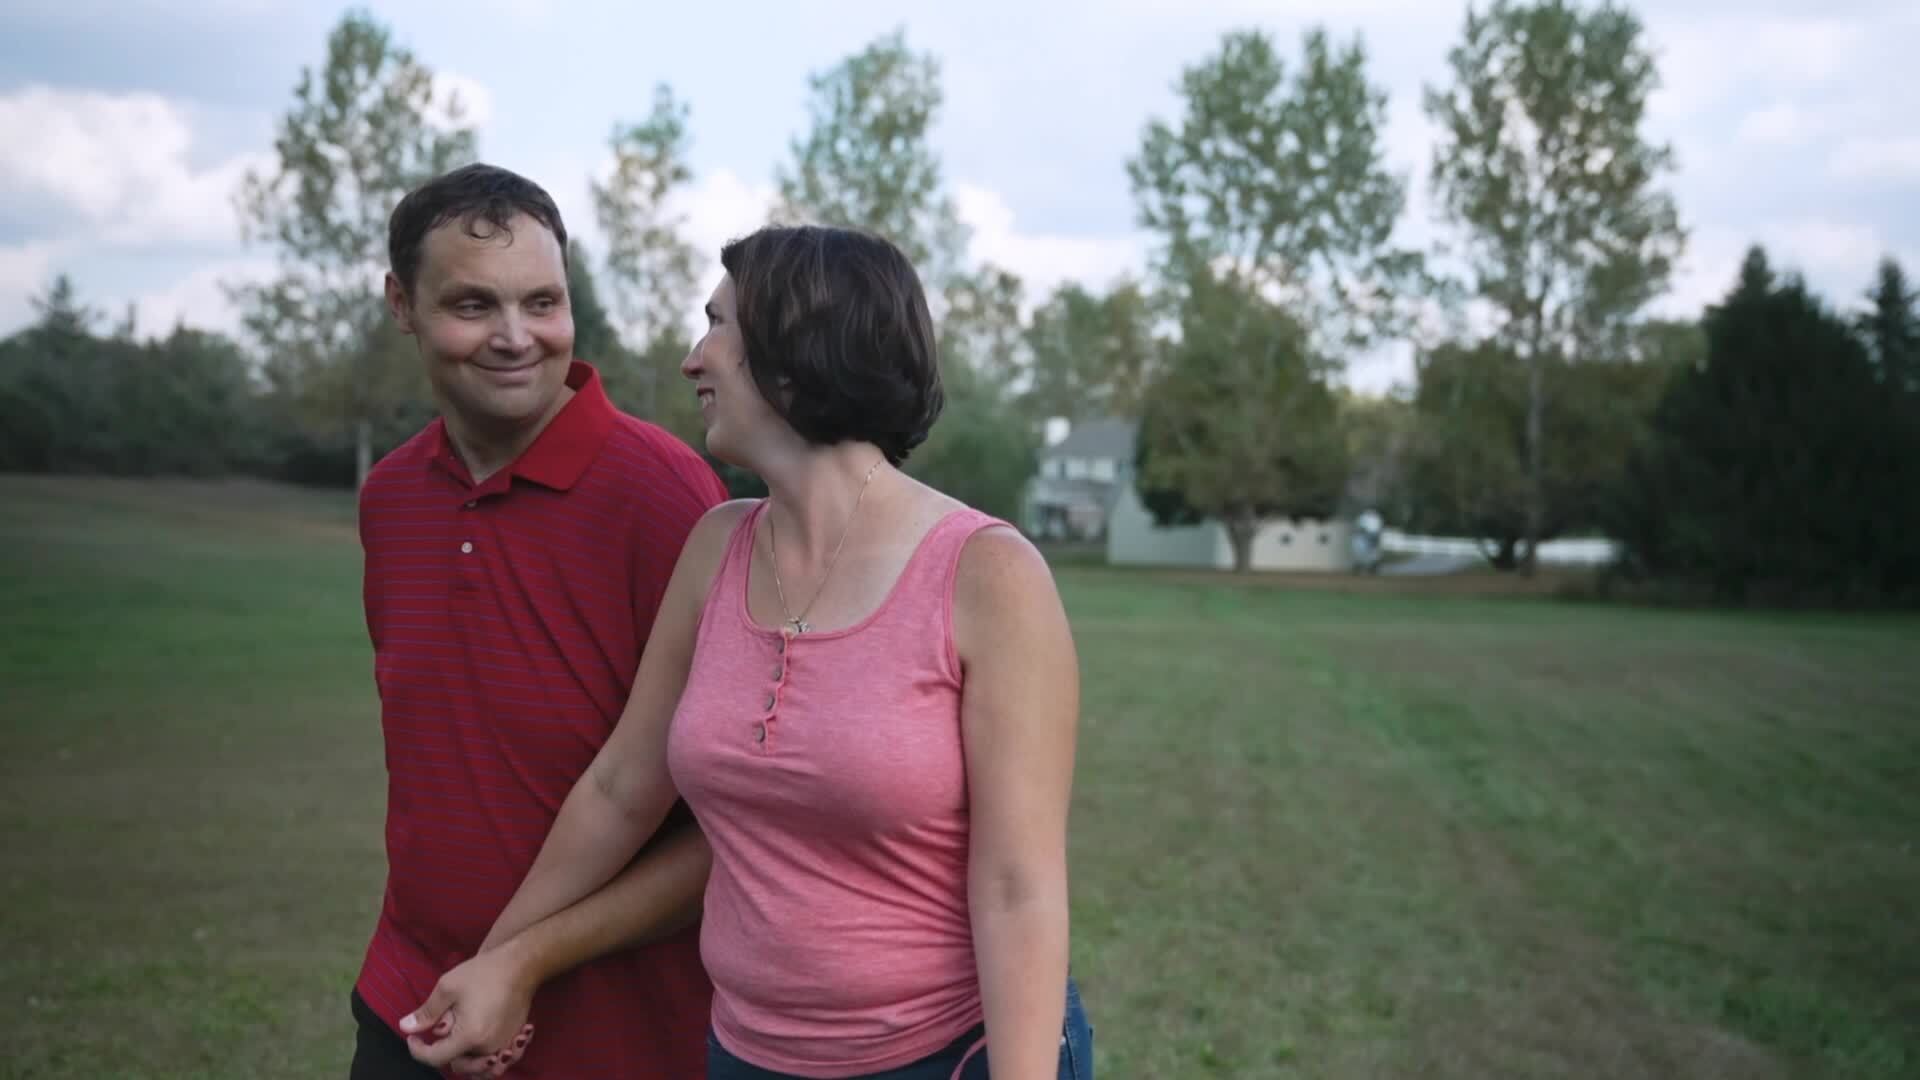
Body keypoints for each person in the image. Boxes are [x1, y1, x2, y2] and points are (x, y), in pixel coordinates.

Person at [412, 223, 1094, 1079]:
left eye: (717, 325)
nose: (693, 360)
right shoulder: (717, 547)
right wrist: (503, 959)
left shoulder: (988, 574)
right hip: (746, 1053)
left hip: (948, 1054)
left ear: (797, 350)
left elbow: (1019, 888)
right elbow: (622, 787)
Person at [350, 161, 727, 1079]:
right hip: (411, 1000)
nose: (516, 337)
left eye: (543, 302)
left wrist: (517, 962)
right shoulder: (391, 497)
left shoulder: (665, 497)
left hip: (618, 1035)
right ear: (402, 304)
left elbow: (729, 829)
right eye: (473, 305)